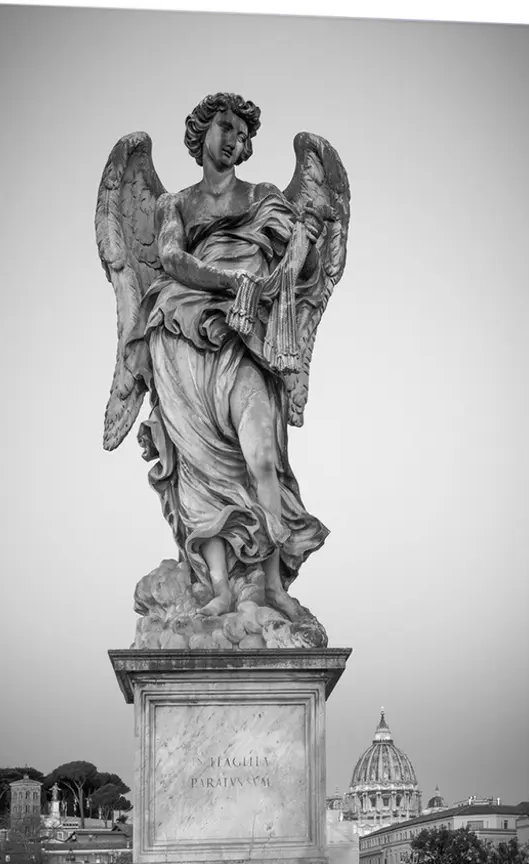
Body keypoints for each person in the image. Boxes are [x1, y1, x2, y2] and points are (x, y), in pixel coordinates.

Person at [128, 93, 328, 620]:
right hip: (184, 332)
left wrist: (302, 247)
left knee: (261, 458)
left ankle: (272, 583)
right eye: (225, 127)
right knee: (199, 469)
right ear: (201, 134)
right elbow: (170, 257)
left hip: (246, 335)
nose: (234, 139)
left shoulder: (263, 198)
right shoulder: (175, 205)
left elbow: (302, 271)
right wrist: (229, 281)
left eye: (242, 133)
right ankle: (219, 586)